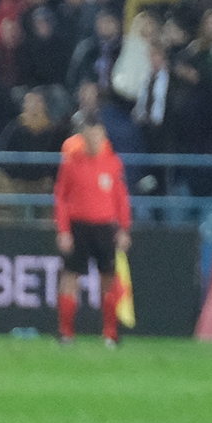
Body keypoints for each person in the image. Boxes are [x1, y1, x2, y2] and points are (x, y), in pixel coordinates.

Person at [53, 114, 131, 347]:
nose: (94, 141)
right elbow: (61, 198)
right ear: (83, 138)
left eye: (98, 136)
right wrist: (63, 230)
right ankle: (66, 333)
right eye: (89, 136)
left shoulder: (113, 162)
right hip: (79, 226)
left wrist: (124, 228)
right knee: (70, 277)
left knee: (108, 278)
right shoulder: (72, 162)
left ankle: (110, 334)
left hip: (105, 226)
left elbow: (121, 198)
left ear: (103, 137)